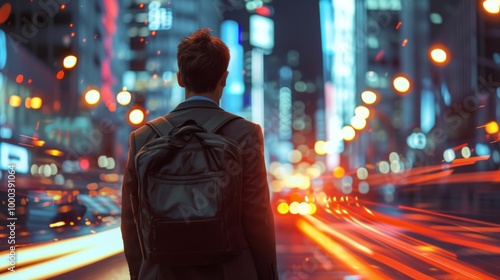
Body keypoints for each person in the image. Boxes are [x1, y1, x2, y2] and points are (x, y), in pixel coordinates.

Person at [121, 28, 278, 280]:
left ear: (180, 78)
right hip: (230, 271)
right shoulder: (245, 133)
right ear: (224, 78)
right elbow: (257, 216)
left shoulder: (143, 137)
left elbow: (132, 223)